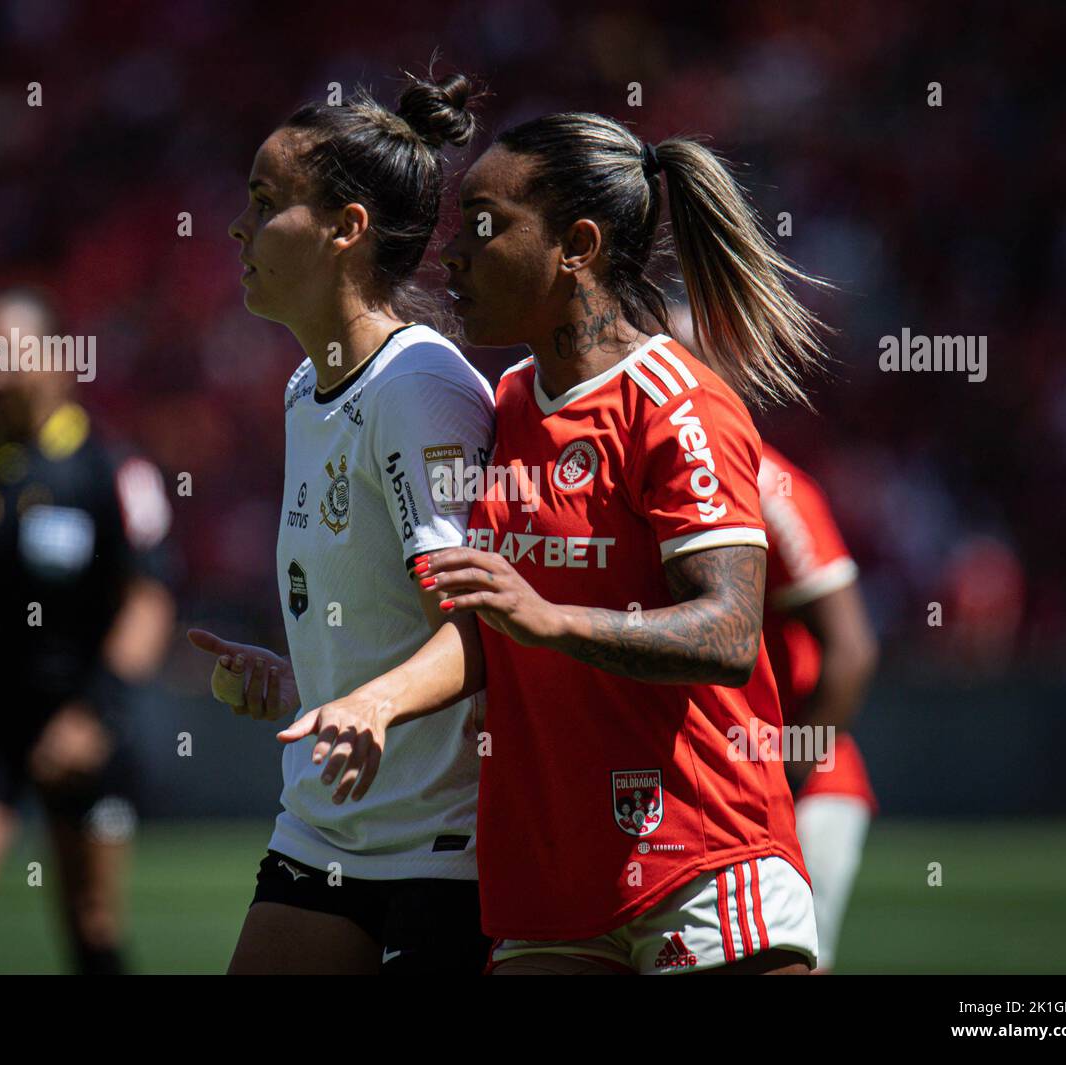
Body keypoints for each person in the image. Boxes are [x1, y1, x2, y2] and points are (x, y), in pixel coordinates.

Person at [279, 113, 831, 974]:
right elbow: (470, 622)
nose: (453, 253)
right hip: (550, 878)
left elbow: (728, 633)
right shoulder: (502, 403)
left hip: (700, 854)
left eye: (486, 225)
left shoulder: (677, 404)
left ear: (576, 244)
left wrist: (551, 619)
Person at [187, 70, 496, 975]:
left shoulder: (419, 390)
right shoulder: (303, 388)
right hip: (322, 831)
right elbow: (385, 625)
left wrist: (371, 701)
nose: (239, 228)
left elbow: (480, 628)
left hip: (439, 851)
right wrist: (304, 685)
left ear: (347, 229)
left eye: (266, 202)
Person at [0, 287, 176, 974]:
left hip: (85, 714)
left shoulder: (111, 467)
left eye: (6, 354)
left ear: (56, 359)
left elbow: (148, 604)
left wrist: (92, 713)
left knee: (91, 919)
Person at [758, 442, 878, 972]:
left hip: (800, 790)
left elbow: (852, 652)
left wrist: (780, 782)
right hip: (725, 784)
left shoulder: (768, 482)